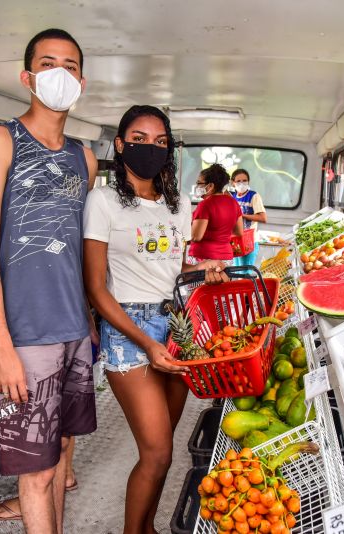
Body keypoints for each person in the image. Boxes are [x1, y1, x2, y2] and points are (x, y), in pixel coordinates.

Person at [0, 28, 98, 534]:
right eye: (48, 64)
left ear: (81, 82)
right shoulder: (1, 141)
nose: (59, 74)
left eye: (69, 66)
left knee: (61, 457)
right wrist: (1, 343)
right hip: (25, 337)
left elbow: (74, 251)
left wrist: (87, 320)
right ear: (27, 77)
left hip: (73, 332)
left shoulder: (83, 158)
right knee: (37, 474)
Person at [83, 105, 228, 534]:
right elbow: (96, 287)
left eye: (160, 141)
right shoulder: (102, 201)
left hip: (176, 324)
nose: (151, 148)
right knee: (158, 452)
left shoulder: (178, 205)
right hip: (129, 330)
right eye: (140, 139)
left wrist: (205, 274)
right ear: (121, 144)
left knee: (163, 447)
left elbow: (173, 274)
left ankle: (148, 528)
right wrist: (147, 344)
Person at [0, 245, 81, 521]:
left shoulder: (12, 219)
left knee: (40, 428)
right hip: (69, 319)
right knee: (58, 421)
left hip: (32, 328)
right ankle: (63, 475)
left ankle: (41, 490)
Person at [187, 163, 244, 265]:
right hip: (226, 259)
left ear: (210, 186)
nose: (196, 186)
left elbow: (196, 236)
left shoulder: (205, 204)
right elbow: (239, 232)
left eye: (199, 183)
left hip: (204, 259)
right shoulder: (234, 203)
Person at [230, 168, 267, 267]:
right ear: (233, 183)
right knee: (236, 272)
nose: (242, 183)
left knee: (245, 273)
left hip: (249, 241)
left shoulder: (254, 196)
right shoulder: (233, 197)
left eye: (244, 180)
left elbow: (263, 218)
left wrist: (242, 216)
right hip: (235, 241)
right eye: (238, 181)